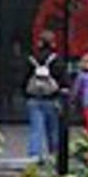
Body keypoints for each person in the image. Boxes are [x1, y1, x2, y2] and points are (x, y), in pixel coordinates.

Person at [25, 31, 63, 160]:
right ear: (53, 43)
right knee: (53, 130)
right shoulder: (56, 59)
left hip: (33, 99)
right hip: (52, 98)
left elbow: (23, 78)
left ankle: (34, 155)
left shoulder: (32, 59)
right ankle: (55, 155)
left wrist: (25, 94)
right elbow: (62, 79)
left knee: (36, 129)